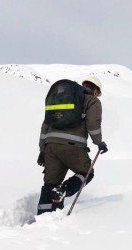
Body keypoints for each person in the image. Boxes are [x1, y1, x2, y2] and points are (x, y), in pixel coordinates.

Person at [36, 76, 108, 215]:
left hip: (50, 146)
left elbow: (45, 125)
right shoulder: (92, 100)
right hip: (72, 146)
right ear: (95, 90)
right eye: (98, 93)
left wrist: (42, 149)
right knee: (86, 173)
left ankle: (42, 218)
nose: (97, 95)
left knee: (50, 184)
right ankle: (63, 190)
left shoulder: (60, 98)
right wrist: (99, 142)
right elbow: (93, 124)